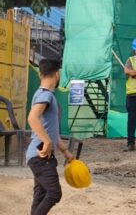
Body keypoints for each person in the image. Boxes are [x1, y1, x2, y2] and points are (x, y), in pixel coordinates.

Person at [27, 58, 74, 215]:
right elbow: (32, 118)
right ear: (57, 74)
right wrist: (47, 142)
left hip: (37, 155)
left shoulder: (42, 94)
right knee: (54, 193)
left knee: (40, 196)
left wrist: (65, 152)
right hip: (41, 156)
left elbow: (51, 132)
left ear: (40, 74)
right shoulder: (46, 95)